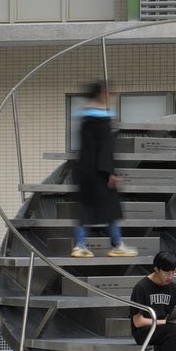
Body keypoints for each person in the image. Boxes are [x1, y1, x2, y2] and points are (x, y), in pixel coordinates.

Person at [71, 82, 135, 259]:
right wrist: (110, 172)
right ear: (102, 94)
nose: (111, 96)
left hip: (84, 171)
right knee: (111, 209)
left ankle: (80, 245)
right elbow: (106, 148)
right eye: (109, 93)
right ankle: (117, 245)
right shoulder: (103, 119)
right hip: (100, 173)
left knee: (84, 209)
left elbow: (86, 148)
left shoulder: (85, 118)